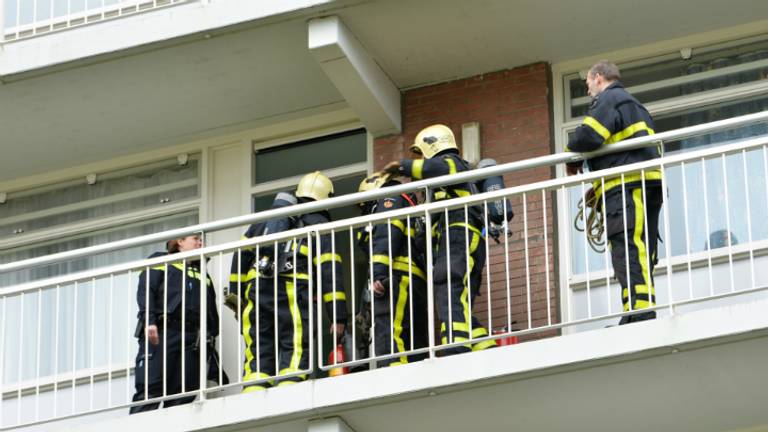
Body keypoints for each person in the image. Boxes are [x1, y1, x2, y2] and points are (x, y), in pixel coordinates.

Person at [565, 60, 663, 325]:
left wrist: (570, 155)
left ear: (598, 78)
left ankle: (639, 312)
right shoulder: (633, 103)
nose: (587, 91)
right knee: (641, 247)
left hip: (628, 184)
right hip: (642, 184)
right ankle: (638, 306)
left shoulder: (610, 99)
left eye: (587, 83)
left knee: (628, 245)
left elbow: (588, 135)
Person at [384, 124, 496, 355]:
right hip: (459, 239)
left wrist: (404, 167)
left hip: (459, 235)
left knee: (449, 288)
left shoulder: (453, 163)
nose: (421, 159)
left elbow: (436, 168)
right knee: (459, 300)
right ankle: (485, 347)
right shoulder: (441, 183)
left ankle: (456, 347)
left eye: (421, 153)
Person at [230, 171, 347, 392]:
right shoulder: (319, 223)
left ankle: (255, 386)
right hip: (293, 287)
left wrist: (237, 299)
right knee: (294, 339)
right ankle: (290, 384)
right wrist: (338, 315)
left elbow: (240, 256)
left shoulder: (264, 221)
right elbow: (330, 270)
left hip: (257, 288)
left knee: (258, 340)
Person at [131, 234, 220, 413]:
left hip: (192, 339)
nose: (200, 242)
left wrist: (210, 338)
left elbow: (211, 308)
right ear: (179, 241)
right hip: (164, 332)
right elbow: (147, 291)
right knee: (151, 388)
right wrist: (150, 321)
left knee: (185, 392)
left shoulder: (202, 272)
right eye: (195, 238)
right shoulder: (161, 261)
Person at [355, 171, 429, 366]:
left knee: (390, 330)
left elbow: (387, 234)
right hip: (415, 279)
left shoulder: (389, 200)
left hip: (397, 277)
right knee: (412, 336)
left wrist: (379, 274)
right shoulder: (407, 203)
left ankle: (393, 371)